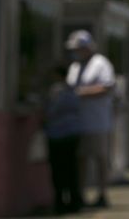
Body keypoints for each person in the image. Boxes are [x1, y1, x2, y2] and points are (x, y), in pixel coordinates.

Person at [65, 30, 116, 209]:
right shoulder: (75, 66)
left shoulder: (101, 63)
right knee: (81, 160)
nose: (76, 52)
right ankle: (80, 194)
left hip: (97, 121)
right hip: (77, 123)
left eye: (79, 48)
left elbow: (107, 87)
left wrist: (82, 93)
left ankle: (102, 194)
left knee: (100, 158)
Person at [43, 63, 83, 215]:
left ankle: (60, 204)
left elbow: (52, 111)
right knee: (72, 169)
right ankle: (74, 202)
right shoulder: (73, 90)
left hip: (57, 134)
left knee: (58, 171)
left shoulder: (57, 91)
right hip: (72, 133)